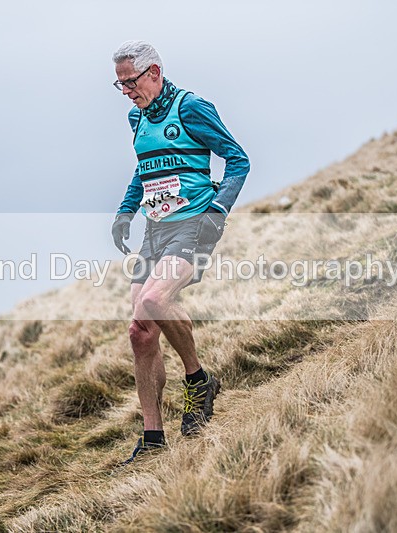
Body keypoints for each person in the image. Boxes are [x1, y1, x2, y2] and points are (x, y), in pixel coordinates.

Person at [110, 41, 250, 464]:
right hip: (156, 228)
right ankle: (154, 436)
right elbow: (145, 167)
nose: (126, 92)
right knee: (140, 330)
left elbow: (237, 160)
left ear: (154, 71)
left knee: (153, 300)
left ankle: (196, 380)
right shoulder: (136, 117)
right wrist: (124, 211)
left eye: (130, 82)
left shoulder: (191, 108)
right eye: (118, 86)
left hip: (193, 223)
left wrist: (217, 209)